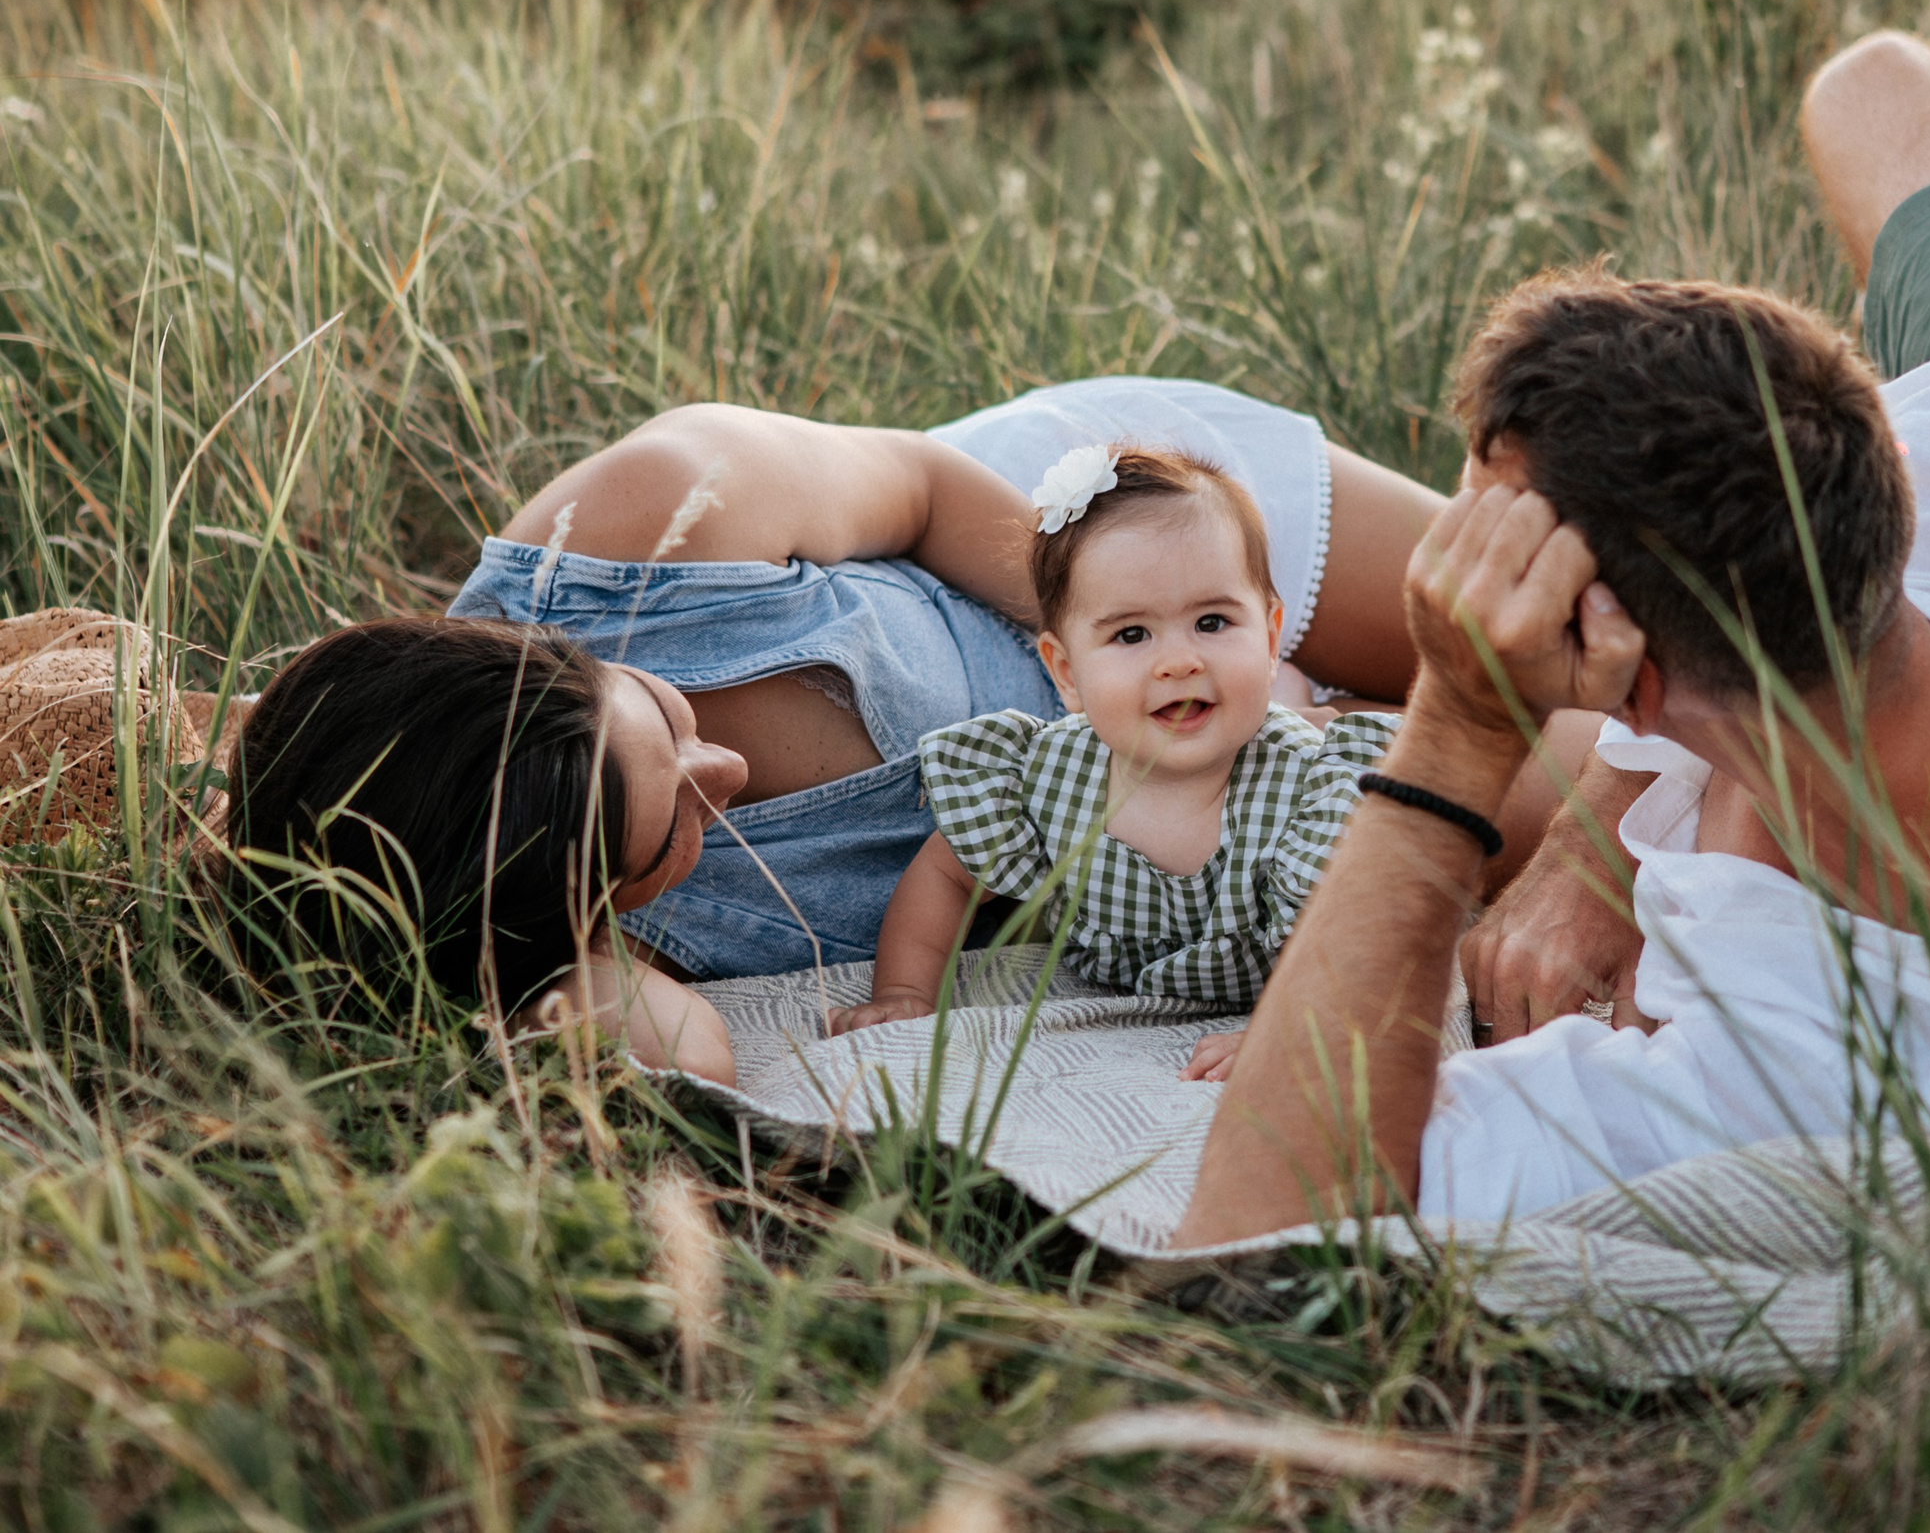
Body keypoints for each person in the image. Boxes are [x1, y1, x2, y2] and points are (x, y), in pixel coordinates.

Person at [1172, 31, 1930, 1246]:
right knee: (1875, 88)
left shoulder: (1789, 1051)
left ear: (1620, 671)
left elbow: (1258, 1209)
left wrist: (1456, 724)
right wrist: (1594, 849)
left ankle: (1351, 723)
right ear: (1880, 450)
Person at [226, 378, 1590, 1084]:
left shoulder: (653, 515)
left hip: (1127, 544)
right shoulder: (567, 911)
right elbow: (672, 1048)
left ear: (550, 646)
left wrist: (1143, 661)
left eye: (661, 724)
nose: (726, 773)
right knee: (1612, 786)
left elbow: (933, 489)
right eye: (665, 833)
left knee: (1619, 642)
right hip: (1206, 811)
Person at [824, 446, 1397, 1084]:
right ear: (1066, 673)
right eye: (1131, 635)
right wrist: (905, 991)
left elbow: (1363, 931)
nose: (1178, 661)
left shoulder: (1313, 792)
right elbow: (945, 875)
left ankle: (1304, 701)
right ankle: (1295, 694)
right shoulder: (1047, 778)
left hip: (1287, 932)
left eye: (1212, 622)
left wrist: (1294, 1025)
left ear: (1267, 636)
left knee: (1312, 734)